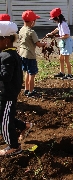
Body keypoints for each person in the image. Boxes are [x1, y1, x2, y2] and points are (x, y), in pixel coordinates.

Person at [0, 14, 33, 156]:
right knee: (5, 116)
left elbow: (6, 76)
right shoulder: (10, 53)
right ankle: (25, 126)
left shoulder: (7, 57)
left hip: (7, 93)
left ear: (6, 40)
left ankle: (14, 146)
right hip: (6, 92)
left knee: (4, 121)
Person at [19, 10, 47, 97]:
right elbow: (38, 44)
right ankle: (31, 91)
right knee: (32, 74)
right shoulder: (32, 32)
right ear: (32, 22)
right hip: (30, 55)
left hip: (22, 54)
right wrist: (45, 44)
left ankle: (26, 89)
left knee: (27, 72)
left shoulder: (21, 30)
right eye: (35, 20)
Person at [47, 8, 73, 80]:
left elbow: (67, 35)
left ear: (58, 17)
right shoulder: (60, 23)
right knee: (61, 58)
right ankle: (62, 72)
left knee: (66, 60)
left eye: (54, 19)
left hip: (67, 42)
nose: (54, 20)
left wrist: (57, 37)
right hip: (63, 42)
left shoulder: (63, 24)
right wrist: (52, 33)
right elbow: (57, 29)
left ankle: (69, 75)